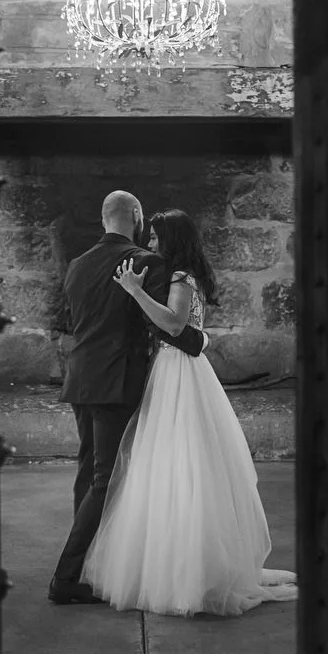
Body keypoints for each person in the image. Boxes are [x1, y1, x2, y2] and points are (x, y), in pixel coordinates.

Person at [82, 208, 298, 617]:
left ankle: (189, 571)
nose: (149, 245)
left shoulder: (181, 277)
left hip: (178, 372)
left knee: (181, 460)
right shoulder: (184, 275)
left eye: (156, 239)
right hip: (175, 368)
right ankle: (177, 561)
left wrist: (135, 291)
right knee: (170, 462)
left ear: (172, 240)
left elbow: (176, 325)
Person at [47, 190, 208, 605]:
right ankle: (66, 577)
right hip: (117, 383)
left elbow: (76, 321)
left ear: (104, 219)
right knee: (106, 480)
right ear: (135, 216)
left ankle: (90, 564)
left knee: (88, 473)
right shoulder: (145, 262)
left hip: (81, 378)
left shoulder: (77, 265)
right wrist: (198, 340)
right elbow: (163, 325)